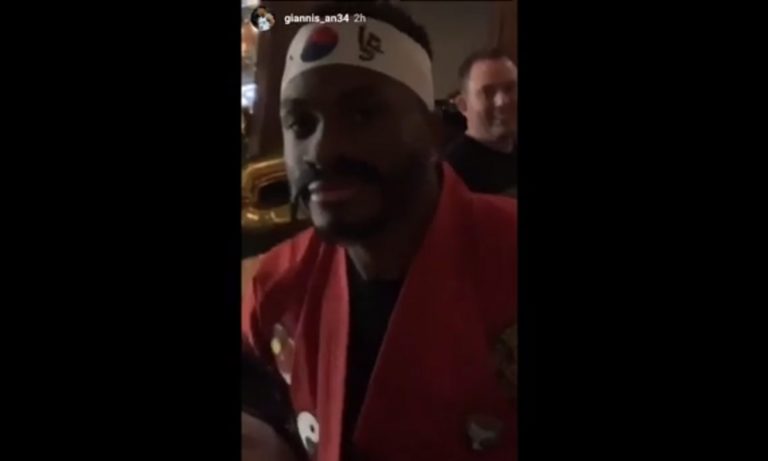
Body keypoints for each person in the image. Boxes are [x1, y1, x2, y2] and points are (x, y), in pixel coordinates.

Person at [242, 3, 517, 460]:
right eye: (301, 124)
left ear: (433, 132)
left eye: (362, 115)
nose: (323, 150)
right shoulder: (278, 286)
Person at [445, 48, 518, 196]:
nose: (502, 102)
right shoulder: (451, 174)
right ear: (463, 105)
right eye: (488, 92)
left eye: (510, 89)